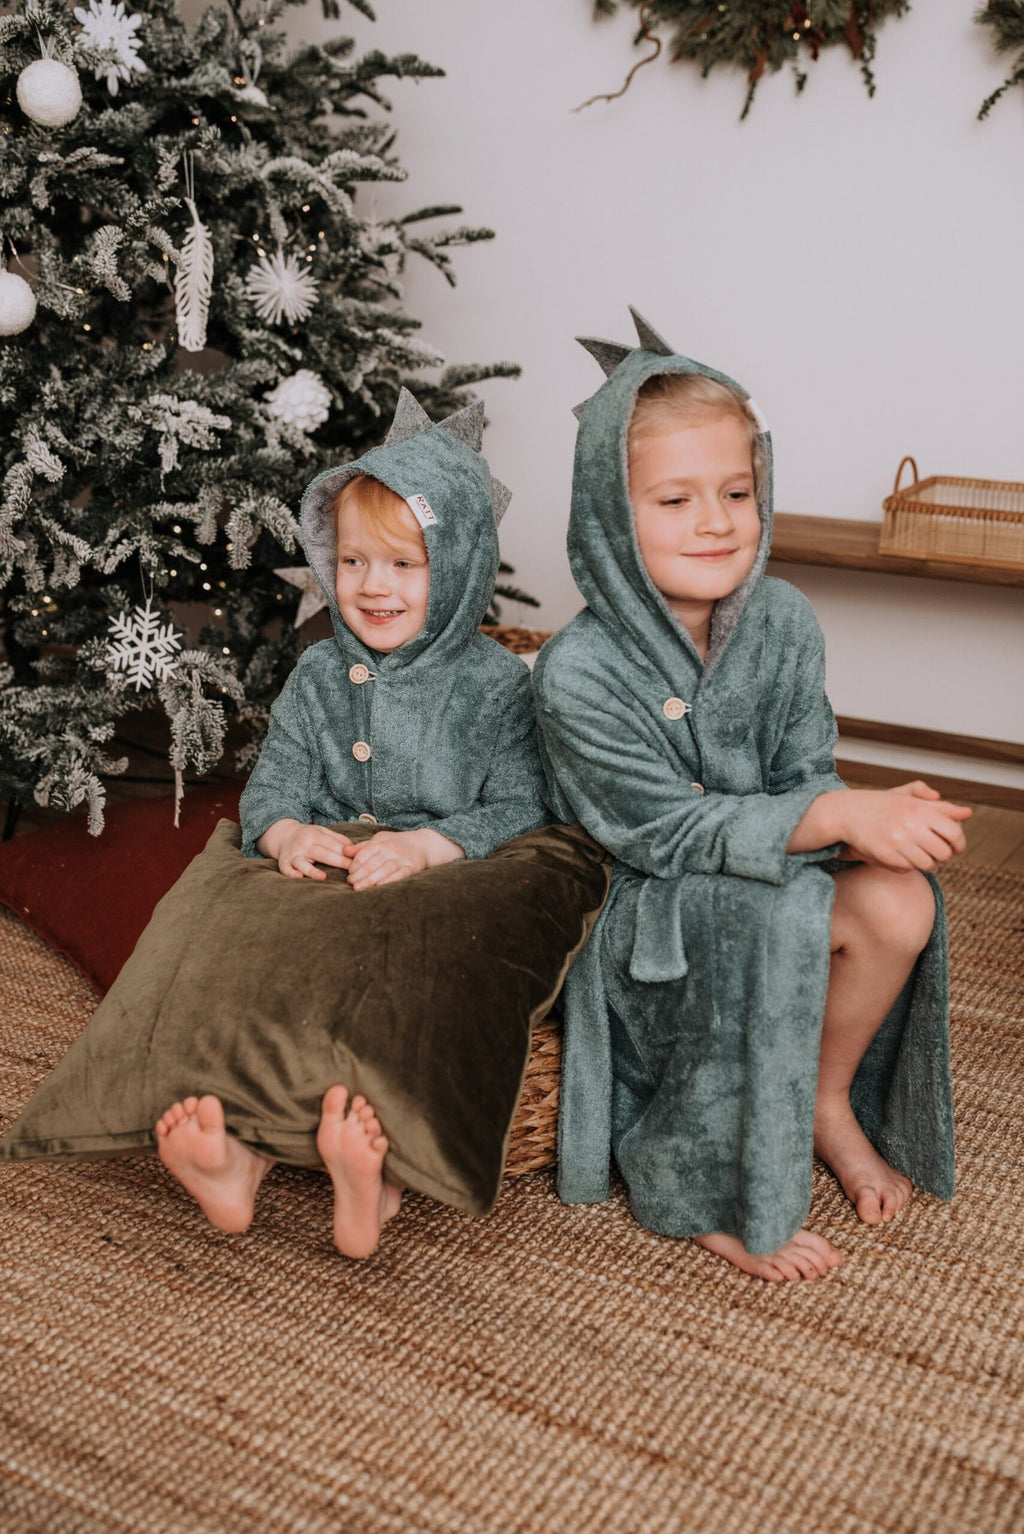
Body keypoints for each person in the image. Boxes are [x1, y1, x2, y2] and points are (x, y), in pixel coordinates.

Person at [532, 309, 970, 1282]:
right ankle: (700, 1182)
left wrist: (864, 819)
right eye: (676, 499)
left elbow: (806, 769)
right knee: (767, 919)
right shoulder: (576, 671)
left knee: (899, 898)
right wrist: (831, 818)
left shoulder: (780, 621)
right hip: (645, 913)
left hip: (770, 870)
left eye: (736, 491)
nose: (717, 521)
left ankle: (825, 1096)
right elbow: (659, 830)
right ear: (611, 512)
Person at [151, 389, 575, 1258]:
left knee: (392, 971)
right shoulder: (316, 676)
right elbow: (270, 791)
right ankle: (243, 1160)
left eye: (404, 566)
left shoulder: (497, 685)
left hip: (435, 868)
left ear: (455, 571)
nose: (372, 587)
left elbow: (522, 805)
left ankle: (373, 1181)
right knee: (241, 943)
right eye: (351, 563)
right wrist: (285, 836)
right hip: (329, 865)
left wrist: (427, 845)